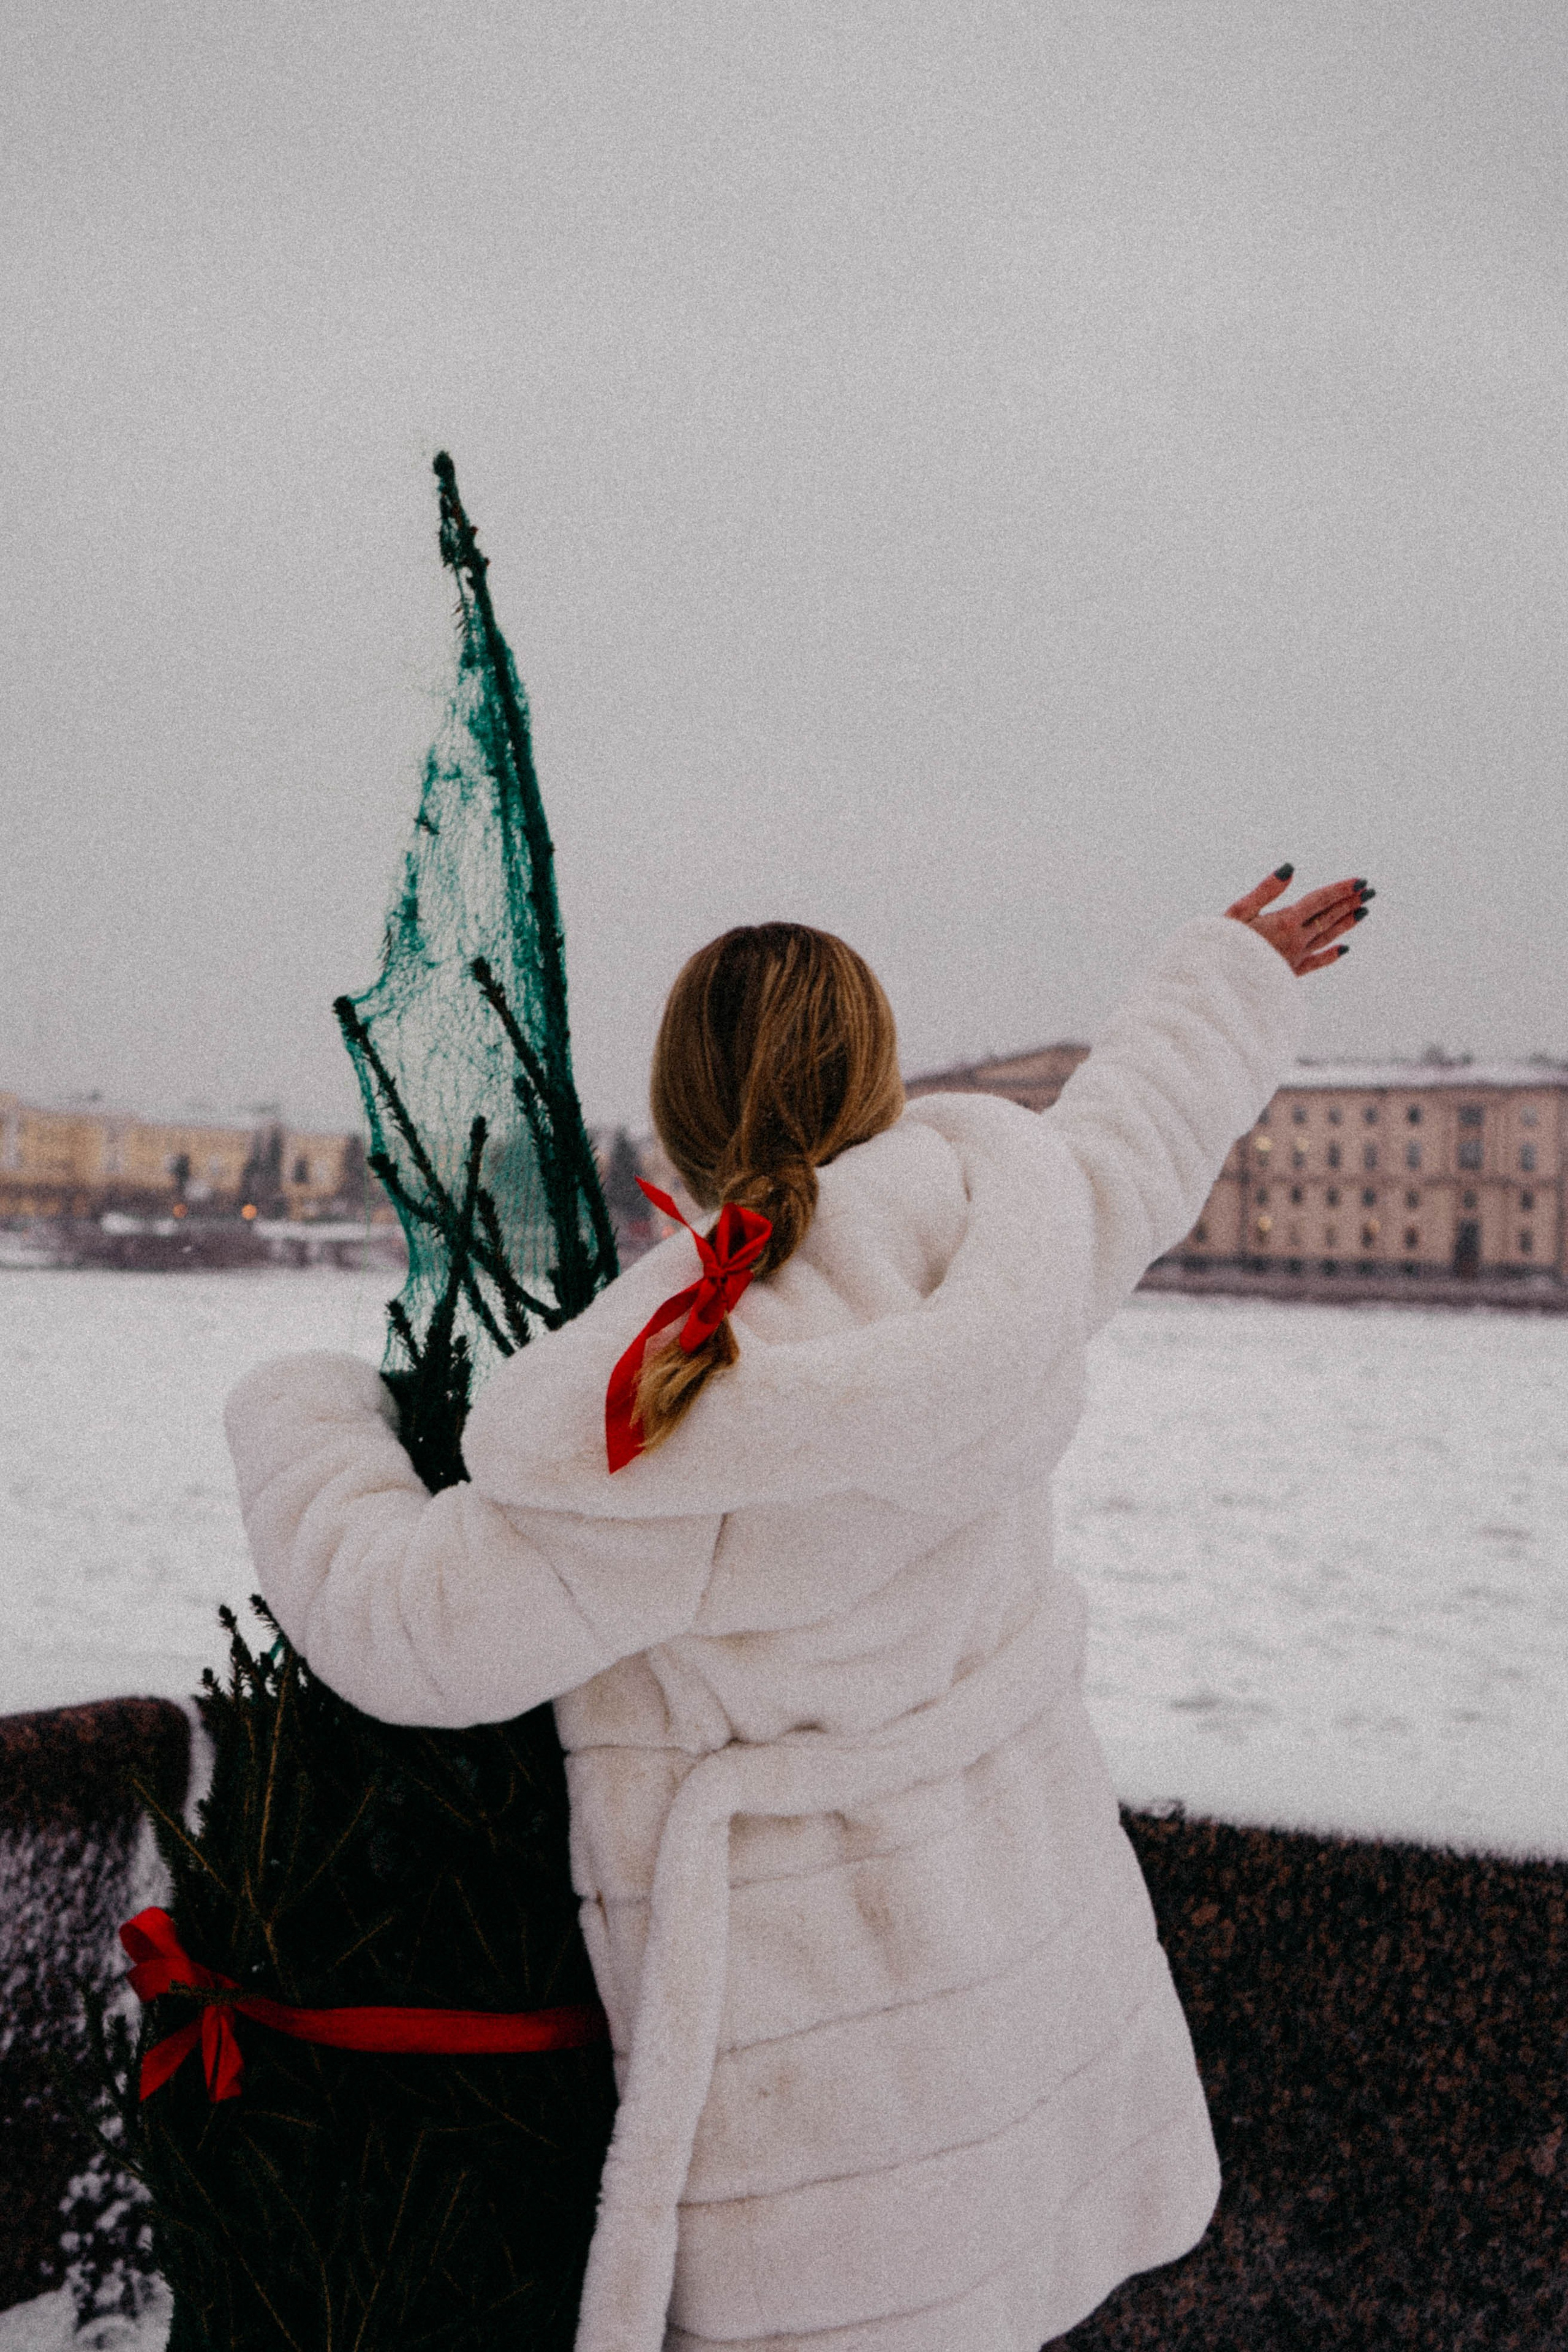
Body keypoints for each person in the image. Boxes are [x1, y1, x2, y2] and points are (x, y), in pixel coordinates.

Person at [225, 866, 1370, 2352]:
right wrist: (1226, 974)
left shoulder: (663, 1416)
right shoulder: (1002, 1253)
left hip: (823, 2118)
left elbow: (403, 1633)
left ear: (677, 1106)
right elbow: (1136, 1130)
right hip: (1025, 2004)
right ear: (881, 1071)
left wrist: (304, 1419)